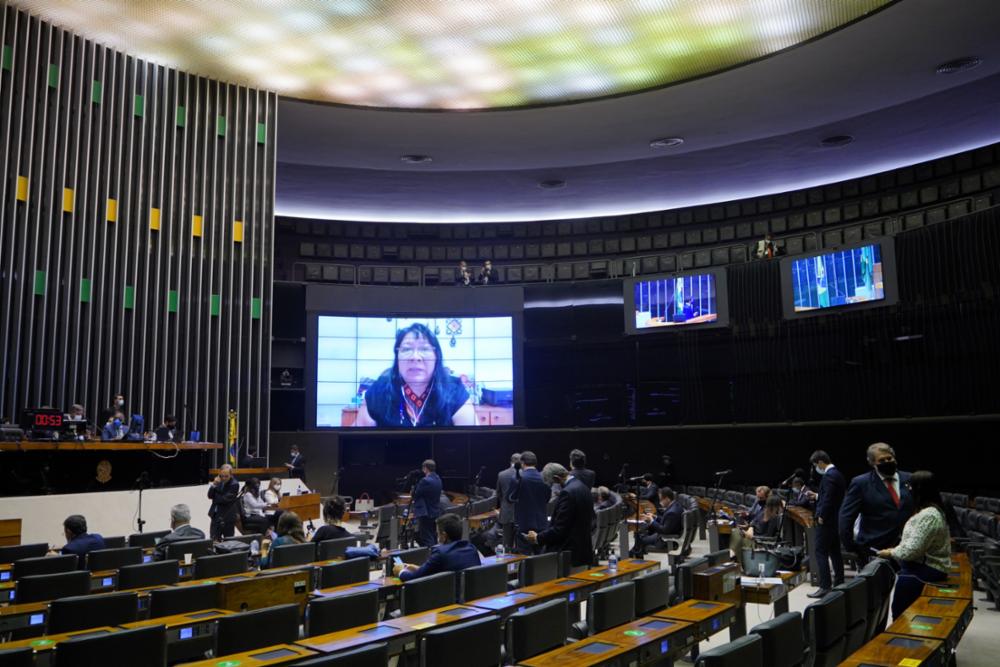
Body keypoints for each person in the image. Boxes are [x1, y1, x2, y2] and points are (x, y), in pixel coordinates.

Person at [355, 323, 476, 427]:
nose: (415, 357)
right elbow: (359, 442)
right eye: (406, 349)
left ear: (436, 357)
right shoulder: (378, 391)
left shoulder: (454, 390)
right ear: (397, 358)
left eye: (424, 349)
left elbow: (471, 442)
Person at [877, 471, 953, 620]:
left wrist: (890, 552)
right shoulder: (929, 511)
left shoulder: (929, 515)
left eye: (910, 487)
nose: (908, 490)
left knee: (901, 614)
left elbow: (912, 551)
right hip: (923, 566)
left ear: (920, 489)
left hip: (927, 569)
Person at [839, 442, 914, 566]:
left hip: (908, 547)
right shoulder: (861, 483)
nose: (887, 462)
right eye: (882, 460)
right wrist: (852, 547)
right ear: (873, 463)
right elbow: (846, 518)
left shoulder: (910, 479)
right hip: (875, 549)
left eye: (889, 458)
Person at [526, 463, 594, 567]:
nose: (553, 487)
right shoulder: (583, 487)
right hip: (583, 550)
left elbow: (560, 529)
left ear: (556, 478)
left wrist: (537, 537)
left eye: (552, 483)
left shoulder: (567, 493)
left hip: (568, 554)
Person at [807, 450, 847, 598]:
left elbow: (829, 499)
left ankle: (825, 586)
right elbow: (831, 496)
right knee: (835, 552)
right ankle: (839, 582)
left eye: (815, 465)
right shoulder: (837, 474)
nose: (816, 469)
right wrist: (817, 495)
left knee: (820, 552)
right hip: (835, 520)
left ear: (820, 462)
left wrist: (821, 515)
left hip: (827, 520)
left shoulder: (829, 475)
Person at [394, 513, 481, 582]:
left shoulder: (441, 553)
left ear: (444, 535)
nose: (437, 536)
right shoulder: (471, 548)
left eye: (437, 533)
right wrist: (419, 568)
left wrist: (401, 571)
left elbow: (414, 578)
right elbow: (438, 570)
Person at [508, 451, 550, 555]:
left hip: (524, 524)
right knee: (541, 558)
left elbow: (510, 498)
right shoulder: (545, 478)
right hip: (541, 524)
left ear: (522, 463)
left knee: (523, 558)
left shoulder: (518, 478)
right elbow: (547, 498)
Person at [632, 487, 684, 555]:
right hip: (668, 534)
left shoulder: (672, 513)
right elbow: (667, 521)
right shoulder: (676, 505)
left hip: (665, 540)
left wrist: (652, 521)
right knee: (640, 534)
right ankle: (635, 554)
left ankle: (633, 555)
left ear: (667, 499)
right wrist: (655, 517)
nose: (660, 502)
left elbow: (664, 530)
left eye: (661, 499)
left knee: (639, 538)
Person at [411, 459, 443, 548]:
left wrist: (413, 488)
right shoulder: (438, 479)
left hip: (426, 513)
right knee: (433, 536)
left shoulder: (425, 481)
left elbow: (415, 494)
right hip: (435, 511)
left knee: (427, 537)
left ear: (425, 468)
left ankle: (431, 556)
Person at [495, 453, 521, 552]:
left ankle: (506, 564)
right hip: (521, 513)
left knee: (506, 543)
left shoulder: (502, 474)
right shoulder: (524, 474)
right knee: (520, 543)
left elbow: (498, 493)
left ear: (511, 461)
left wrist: (505, 503)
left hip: (506, 512)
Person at [208, 464, 241, 540]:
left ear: (231, 475)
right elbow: (210, 496)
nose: (224, 478)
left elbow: (223, 500)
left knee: (228, 541)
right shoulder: (217, 481)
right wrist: (213, 485)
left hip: (227, 516)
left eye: (226, 476)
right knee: (214, 540)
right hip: (215, 516)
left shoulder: (234, 484)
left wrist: (215, 495)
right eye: (222, 476)